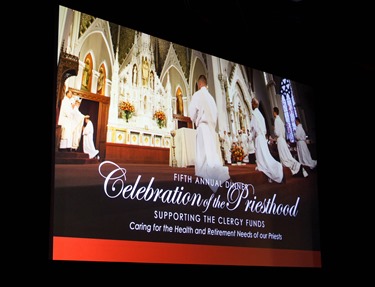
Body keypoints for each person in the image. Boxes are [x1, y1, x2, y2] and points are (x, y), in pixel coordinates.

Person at [188, 74, 230, 192]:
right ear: (206, 84)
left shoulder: (197, 95)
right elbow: (215, 114)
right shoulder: (211, 98)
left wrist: (197, 119)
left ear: (200, 84)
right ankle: (221, 176)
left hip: (202, 127)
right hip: (211, 129)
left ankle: (211, 179)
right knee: (212, 154)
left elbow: (191, 113)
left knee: (204, 157)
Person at [248, 98, 284, 183]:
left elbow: (253, 128)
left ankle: (268, 168)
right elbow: (264, 129)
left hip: (258, 138)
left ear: (253, 105)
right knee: (265, 155)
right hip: (263, 138)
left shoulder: (254, 114)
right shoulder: (260, 115)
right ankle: (271, 166)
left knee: (262, 156)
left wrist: (250, 137)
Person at [272, 107, 308, 177]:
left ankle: (295, 167)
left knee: (284, 157)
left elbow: (277, 133)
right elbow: (283, 132)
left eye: (273, 112)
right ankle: (297, 166)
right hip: (283, 140)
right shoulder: (281, 121)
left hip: (280, 140)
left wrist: (274, 130)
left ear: (274, 112)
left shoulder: (276, 120)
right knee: (287, 155)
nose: (273, 113)